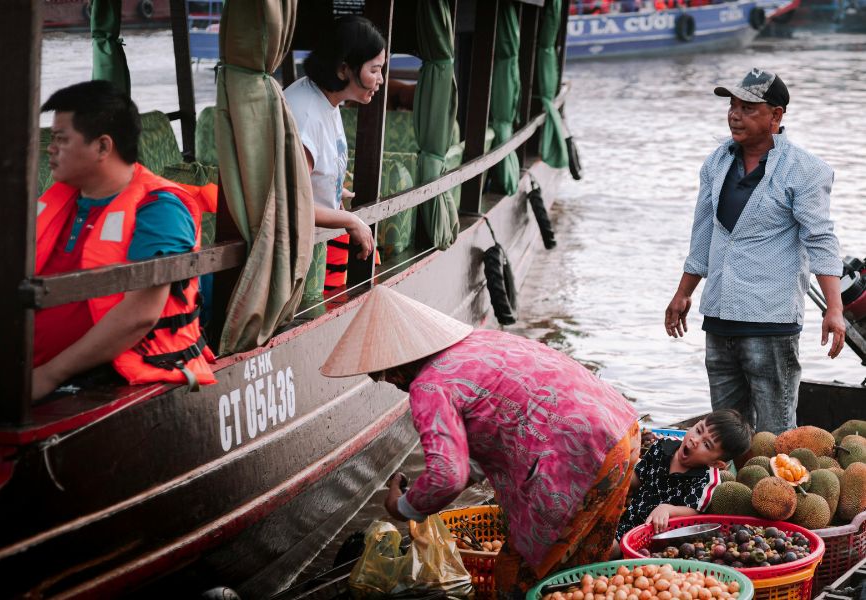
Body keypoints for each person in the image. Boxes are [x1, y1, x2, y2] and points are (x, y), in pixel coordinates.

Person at [320, 286, 640, 598]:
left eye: (385, 375)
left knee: (513, 578)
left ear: (396, 365)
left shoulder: (429, 386)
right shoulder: (481, 342)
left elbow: (448, 476)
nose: (391, 383)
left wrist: (403, 507)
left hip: (579, 461)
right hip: (620, 434)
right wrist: (432, 484)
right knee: (583, 573)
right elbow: (485, 433)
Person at [665, 68, 845, 434]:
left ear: (776, 116)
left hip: (770, 324)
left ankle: (780, 492)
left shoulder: (804, 171)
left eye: (748, 108)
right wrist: (683, 294)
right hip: (718, 318)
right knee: (726, 435)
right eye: (732, 106)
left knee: (776, 435)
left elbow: (821, 240)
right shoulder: (717, 162)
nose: (735, 115)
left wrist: (835, 309)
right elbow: (703, 234)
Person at [32, 80, 216, 400]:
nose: (51, 147)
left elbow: (141, 314)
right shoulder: (59, 200)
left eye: (61, 139)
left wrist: (47, 376)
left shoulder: (160, 209)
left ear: (103, 147)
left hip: (110, 376)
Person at [284, 15, 383, 288]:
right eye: (374, 71)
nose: (381, 80)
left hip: (319, 245)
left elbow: (308, 179)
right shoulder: (304, 115)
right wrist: (351, 220)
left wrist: (332, 188)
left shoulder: (329, 101)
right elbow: (294, 203)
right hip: (297, 258)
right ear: (343, 70)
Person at [613, 410, 753, 548]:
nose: (695, 440)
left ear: (716, 464)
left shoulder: (707, 479)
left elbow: (695, 510)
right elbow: (638, 477)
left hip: (652, 538)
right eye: (698, 430)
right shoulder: (662, 446)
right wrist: (616, 479)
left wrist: (668, 510)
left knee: (609, 548)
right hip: (626, 519)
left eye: (706, 444)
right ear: (696, 424)